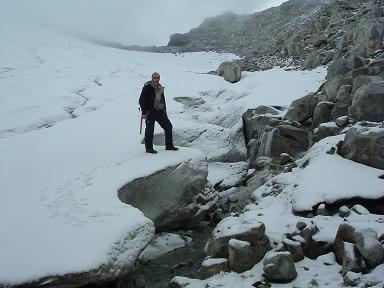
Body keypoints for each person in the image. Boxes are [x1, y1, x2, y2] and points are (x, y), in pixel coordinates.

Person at [139, 72, 178, 154]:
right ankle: (149, 148)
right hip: (150, 112)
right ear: (152, 78)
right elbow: (142, 100)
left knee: (168, 126)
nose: (156, 79)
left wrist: (164, 111)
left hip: (159, 111)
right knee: (150, 130)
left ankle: (169, 146)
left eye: (158, 77)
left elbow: (162, 100)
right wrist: (144, 112)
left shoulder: (160, 87)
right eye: (155, 77)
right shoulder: (147, 87)